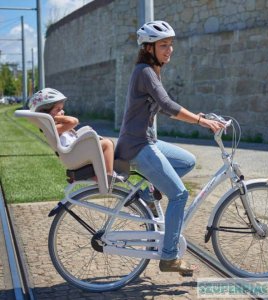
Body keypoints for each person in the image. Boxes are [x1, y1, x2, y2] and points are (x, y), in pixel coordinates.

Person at [115, 21, 225, 275]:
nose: (169, 49)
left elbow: (163, 104)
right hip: (137, 145)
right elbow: (166, 105)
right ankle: (169, 256)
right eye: (163, 45)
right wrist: (201, 120)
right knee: (179, 195)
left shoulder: (152, 71)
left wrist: (198, 115)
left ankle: (147, 191)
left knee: (187, 161)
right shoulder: (144, 72)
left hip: (146, 141)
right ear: (148, 47)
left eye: (171, 44)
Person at [29, 88, 123, 181]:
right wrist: (53, 117)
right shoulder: (53, 130)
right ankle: (108, 176)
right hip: (74, 156)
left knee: (99, 140)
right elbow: (74, 121)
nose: (63, 112)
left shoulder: (56, 128)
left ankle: (102, 173)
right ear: (46, 113)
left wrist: (54, 116)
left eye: (62, 109)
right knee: (107, 144)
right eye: (58, 109)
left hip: (75, 154)